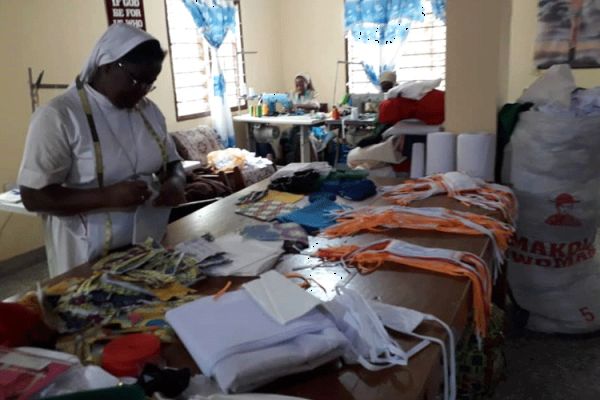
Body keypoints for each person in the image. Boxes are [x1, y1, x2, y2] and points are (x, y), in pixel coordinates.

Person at [18, 24, 185, 277]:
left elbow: (173, 162)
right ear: (107, 65)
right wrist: (107, 197)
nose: (141, 91)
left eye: (150, 84)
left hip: (147, 244)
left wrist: (175, 182)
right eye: (136, 80)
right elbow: (32, 196)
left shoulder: (148, 111)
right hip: (86, 252)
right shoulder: (59, 115)